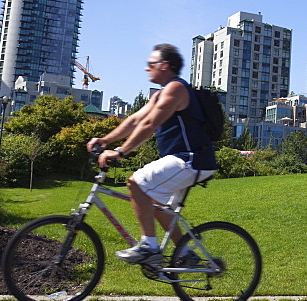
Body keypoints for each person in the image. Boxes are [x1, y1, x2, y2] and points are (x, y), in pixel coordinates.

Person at [86, 44, 217, 264]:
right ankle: (185, 254)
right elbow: (135, 120)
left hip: (191, 159)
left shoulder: (175, 89)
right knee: (156, 204)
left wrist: (119, 152)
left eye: (151, 64)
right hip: (185, 160)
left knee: (136, 183)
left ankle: (149, 246)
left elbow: (149, 124)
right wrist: (105, 140)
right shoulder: (163, 93)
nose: (147, 68)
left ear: (164, 65)